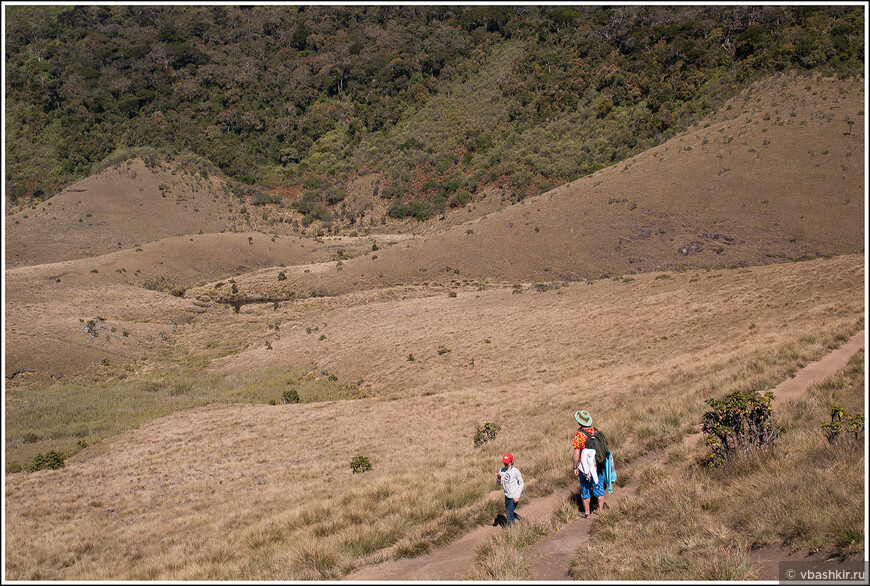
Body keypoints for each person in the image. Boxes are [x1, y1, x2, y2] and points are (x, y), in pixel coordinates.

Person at [572, 410, 606, 518]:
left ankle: (587, 513)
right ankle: (600, 510)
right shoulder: (596, 431)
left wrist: (574, 467)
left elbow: (577, 453)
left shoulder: (579, 434)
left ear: (580, 422)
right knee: (598, 484)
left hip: (585, 466)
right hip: (597, 463)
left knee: (585, 487)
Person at [496, 453, 524, 526]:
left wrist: (517, 496)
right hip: (507, 496)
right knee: (509, 511)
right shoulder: (501, 470)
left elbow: (521, 483)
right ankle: (517, 517)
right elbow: (499, 484)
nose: (505, 464)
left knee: (509, 515)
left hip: (514, 496)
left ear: (511, 462)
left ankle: (513, 531)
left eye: (507, 462)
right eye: (504, 462)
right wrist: (498, 478)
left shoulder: (516, 471)